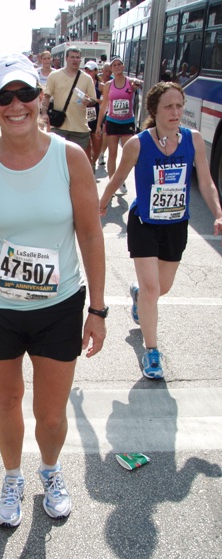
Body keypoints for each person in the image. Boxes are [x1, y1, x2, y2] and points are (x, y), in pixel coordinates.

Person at [0, 54, 107, 527]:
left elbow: (91, 235)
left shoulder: (70, 156)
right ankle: (12, 476)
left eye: (24, 94)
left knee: (52, 412)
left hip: (58, 307)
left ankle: (52, 471)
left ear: (40, 97)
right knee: (5, 400)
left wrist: (97, 309)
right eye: (3, 96)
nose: (15, 105)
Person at [99, 82, 222, 379]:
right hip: (144, 224)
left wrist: (218, 212)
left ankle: (139, 295)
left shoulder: (193, 140)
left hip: (176, 225)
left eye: (179, 106)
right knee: (154, 290)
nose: (176, 112)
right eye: (168, 106)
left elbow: (205, 182)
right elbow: (117, 178)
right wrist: (100, 205)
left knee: (159, 289)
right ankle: (152, 352)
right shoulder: (138, 144)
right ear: (154, 110)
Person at [95, 56, 142, 193]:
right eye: (114, 65)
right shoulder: (109, 85)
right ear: (111, 69)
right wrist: (98, 125)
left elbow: (139, 84)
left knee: (127, 155)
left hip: (127, 123)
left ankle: (120, 180)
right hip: (112, 122)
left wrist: (137, 83)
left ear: (123, 66)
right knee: (112, 154)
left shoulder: (130, 83)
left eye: (119, 64)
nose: (117, 67)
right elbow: (104, 106)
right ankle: (112, 183)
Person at [41, 46, 96, 152]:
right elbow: (46, 96)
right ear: (66, 59)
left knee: (76, 162)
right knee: (58, 159)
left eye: (77, 58)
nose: (75, 60)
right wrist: (44, 113)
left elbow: (93, 99)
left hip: (80, 129)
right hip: (59, 127)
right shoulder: (54, 75)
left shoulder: (87, 78)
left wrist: (89, 102)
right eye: (72, 57)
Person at [84, 61, 102, 172]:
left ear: (96, 71)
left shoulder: (101, 86)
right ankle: (89, 166)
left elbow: (105, 103)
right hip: (84, 117)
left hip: (96, 116)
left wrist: (94, 100)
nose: (88, 72)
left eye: (90, 70)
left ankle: (93, 162)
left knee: (97, 145)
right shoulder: (82, 83)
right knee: (87, 145)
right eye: (86, 70)